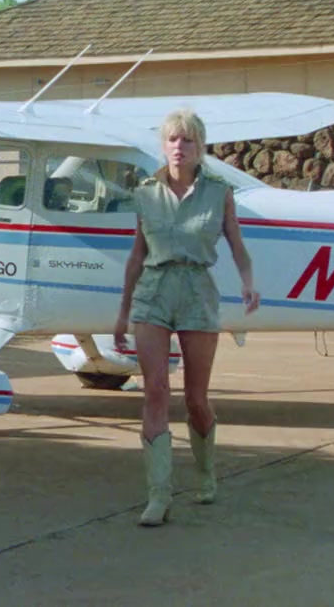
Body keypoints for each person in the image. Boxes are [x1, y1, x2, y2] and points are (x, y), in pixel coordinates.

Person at [113, 109, 260, 527]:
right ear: (164, 146)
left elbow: (237, 244)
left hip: (197, 291)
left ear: (200, 147)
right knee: (155, 390)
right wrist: (123, 313)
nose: (179, 147)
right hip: (154, 293)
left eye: (188, 140)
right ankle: (158, 495)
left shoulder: (219, 192)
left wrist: (248, 282)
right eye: (173, 139)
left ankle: (206, 472)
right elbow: (137, 255)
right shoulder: (145, 193)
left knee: (196, 398)